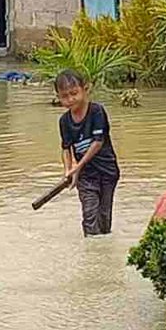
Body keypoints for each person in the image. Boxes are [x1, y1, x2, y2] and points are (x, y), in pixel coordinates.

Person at [55, 69, 119, 237]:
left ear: (85, 89)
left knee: (104, 221)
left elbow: (98, 142)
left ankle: (101, 255)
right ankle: (91, 251)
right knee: (89, 218)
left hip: (107, 172)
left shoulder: (97, 111)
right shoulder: (64, 121)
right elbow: (66, 148)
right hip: (86, 177)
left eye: (74, 93)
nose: (70, 100)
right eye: (64, 96)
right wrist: (69, 171)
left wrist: (78, 166)